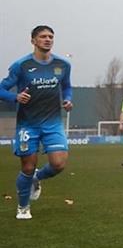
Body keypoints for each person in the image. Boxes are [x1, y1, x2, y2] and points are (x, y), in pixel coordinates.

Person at [0, 25, 73, 220]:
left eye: (50, 36)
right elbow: (1, 89)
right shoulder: (21, 65)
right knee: (27, 166)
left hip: (53, 122)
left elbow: (66, 87)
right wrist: (15, 97)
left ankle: (37, 178)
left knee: (58, 164)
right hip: (28, 124)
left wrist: (67, 99)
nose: (47, 39)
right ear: (33, 41)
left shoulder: (62, 65)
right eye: (43, 37)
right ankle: (23, 207)